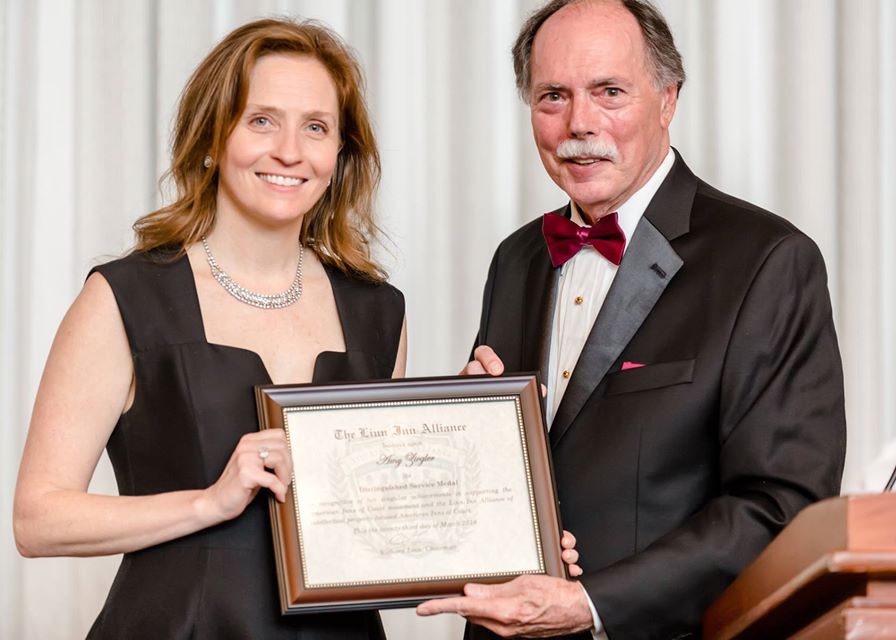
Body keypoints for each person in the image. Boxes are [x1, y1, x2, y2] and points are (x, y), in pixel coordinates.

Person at [417, 1, 846, 638]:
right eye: (552, 96)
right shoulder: (516, 258)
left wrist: (589, 604)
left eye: (609, 91)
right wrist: (468, 435)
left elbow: (779, 507)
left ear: (667, 99)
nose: (578, 123)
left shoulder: (767, 261)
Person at [12, 18, 404, 639]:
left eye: (316, 127)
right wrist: (209, 502)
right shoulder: (124, 297)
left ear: (340, 153)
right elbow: (36, 521)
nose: (290, 151)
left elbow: (375, 520)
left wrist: (455, 445)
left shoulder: (380, 311)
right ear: (212, 137)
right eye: (262, 120)